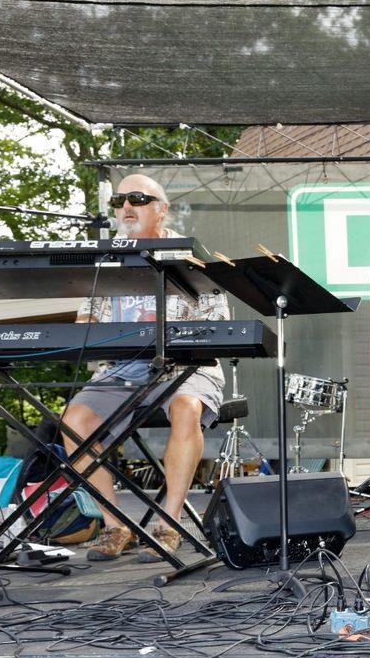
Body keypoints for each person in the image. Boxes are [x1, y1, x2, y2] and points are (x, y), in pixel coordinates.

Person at [63, 174, 231, 562]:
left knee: (186, 408)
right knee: (74, 420)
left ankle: (168, 523)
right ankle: (115, 526)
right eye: (119, 200)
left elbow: (218, 323)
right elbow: (86, 322)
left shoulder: (190, 255)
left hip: (184, 369)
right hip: (120, 372)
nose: (126, 207)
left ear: (161, 209)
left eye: (137, 198)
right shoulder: (105, 260)